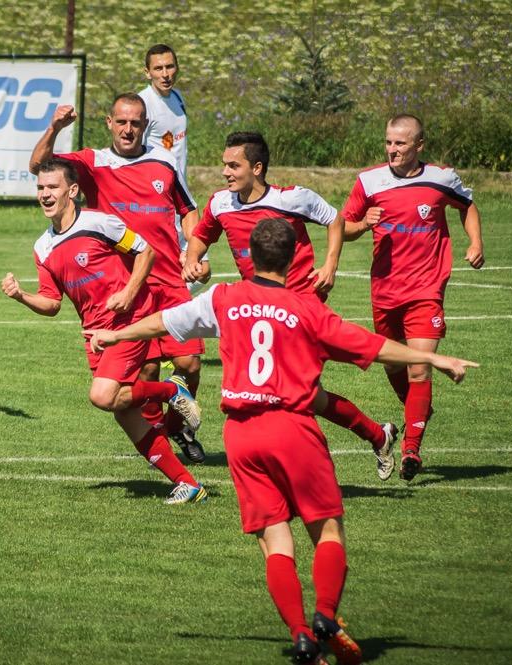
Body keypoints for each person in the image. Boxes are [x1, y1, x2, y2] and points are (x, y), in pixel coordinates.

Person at [86, 218, 478, 664]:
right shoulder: (306, 309)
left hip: (241, 435)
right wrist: (434, 357)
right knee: (327, 528)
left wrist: (116, 333)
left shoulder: (225, 298)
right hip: (292, 427)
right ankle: (326, 615)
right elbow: (373, 346)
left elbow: (162, 322)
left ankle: (301, 637)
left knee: (275, 541)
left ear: (250, 256)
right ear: (293, 259)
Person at [184, 131, 398, 480]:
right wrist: (193, 259)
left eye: (233, 165)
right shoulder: (221, 203)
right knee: (307, 396)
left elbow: (335, 219)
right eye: (224, 165)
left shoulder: (292, 199)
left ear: (257, 167)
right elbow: (201, 234)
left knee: (292, 395)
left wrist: (330, 265)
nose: (225, 172)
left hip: (302, 306)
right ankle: (377, 435)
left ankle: (310, 472)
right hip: (262, 311)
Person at [1, 157, 207, 504]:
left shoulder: (100, 223)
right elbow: (52, 304)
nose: (45, 194)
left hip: (129, 322)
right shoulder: (43, 247)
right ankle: (188, 484)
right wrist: (21, 295)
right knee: (126, 416)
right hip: (94, 334)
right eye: (40, 188)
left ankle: (169, 390)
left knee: (101, 396)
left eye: (53, 187)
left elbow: (146, 252)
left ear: (73, 190)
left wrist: (128, 293)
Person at [29, 94, 210, 465]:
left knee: (189, 365)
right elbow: (37, 166)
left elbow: (188, 211)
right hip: (129, 287)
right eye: (122, 122)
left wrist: (195, 255)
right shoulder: (93, 162)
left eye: (136, 123)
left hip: (169, 280)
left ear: (146, 126)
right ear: (109, 122)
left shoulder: (164, 160)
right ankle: (162, 437)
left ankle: (177, 426)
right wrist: (55, 128)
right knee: (145, 371)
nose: (129, 129)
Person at [342, 114, 484, 481]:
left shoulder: (441, 178)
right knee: (392, 364)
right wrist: (363, 224)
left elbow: (466, 206)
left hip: (426, 289)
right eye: (388, 142)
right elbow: (343, 228)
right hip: (385, 289)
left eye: (400, 143)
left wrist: (475, 242)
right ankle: (417, 412)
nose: (392, 150)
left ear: (419, 145)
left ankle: (411, 450)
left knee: (420, 365)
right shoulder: (369, 181)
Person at [138, 44, 210, 293]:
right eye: (158, 68)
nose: (165, 73)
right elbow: (134, 153)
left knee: (197, 272)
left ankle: (165, 318)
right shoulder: (143, 105)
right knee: (169, 272)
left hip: (180, 198)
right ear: (147, 72)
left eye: (170, 66)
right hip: (157, 201)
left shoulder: (178, 98)